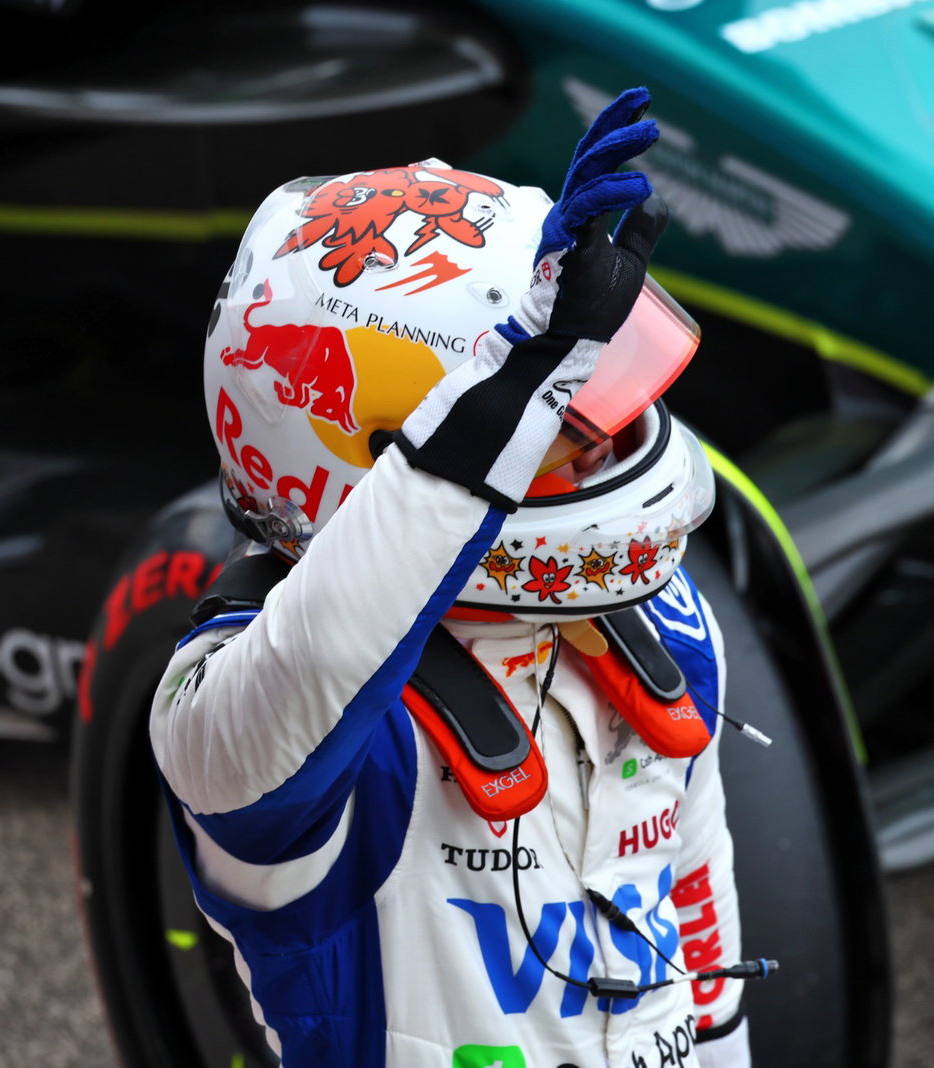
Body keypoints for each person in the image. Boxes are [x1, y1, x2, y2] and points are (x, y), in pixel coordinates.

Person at [149, 88, 757, 1067]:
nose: (607, 453)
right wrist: (507, 390)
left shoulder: (662, 623)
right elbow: (323, 655)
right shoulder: (231, 713)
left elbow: (703, 933)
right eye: (566, 424)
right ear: (381, 453)